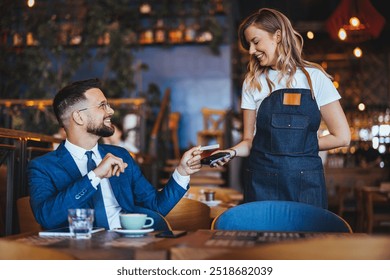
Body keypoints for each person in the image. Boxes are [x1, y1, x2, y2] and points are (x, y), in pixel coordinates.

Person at [213, 8, 351, 209]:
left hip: (306, 185)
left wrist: (296, 146)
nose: (251, 51)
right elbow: (249, 141)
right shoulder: (253, 82)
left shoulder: (315, 79)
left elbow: (343, 137)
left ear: (277, 36)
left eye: (256, 41)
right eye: (248, 45)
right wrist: (229, 152)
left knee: (308, 240)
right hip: (261, 181)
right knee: (262, 239)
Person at [28, 78, 203, 230]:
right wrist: (95, 176)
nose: (111, 111)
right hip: (80, 252)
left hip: (131, 245)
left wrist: (182, 172)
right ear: (78, 118)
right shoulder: (43, 167)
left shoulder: (121, 155)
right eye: (102, 105)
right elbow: (47, 217)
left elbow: (156, 206)